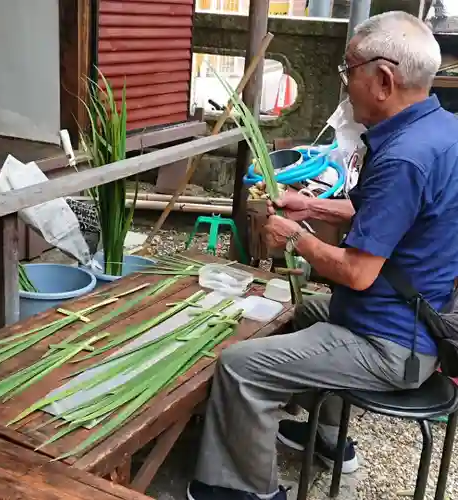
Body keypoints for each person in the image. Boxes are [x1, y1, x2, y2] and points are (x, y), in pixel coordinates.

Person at [187, 11, 458, 500]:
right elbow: (384, 211)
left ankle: (244, 490)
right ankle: (329, 437)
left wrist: (293, 236)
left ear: (383, 79)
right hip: (413, 320)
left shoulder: (403, 157)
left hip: (391, 343)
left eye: (348, 70)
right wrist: (311, 204)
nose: (345, 82)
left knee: (240, 366)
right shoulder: (440, 131)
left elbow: (356, 273)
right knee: (304, 311)